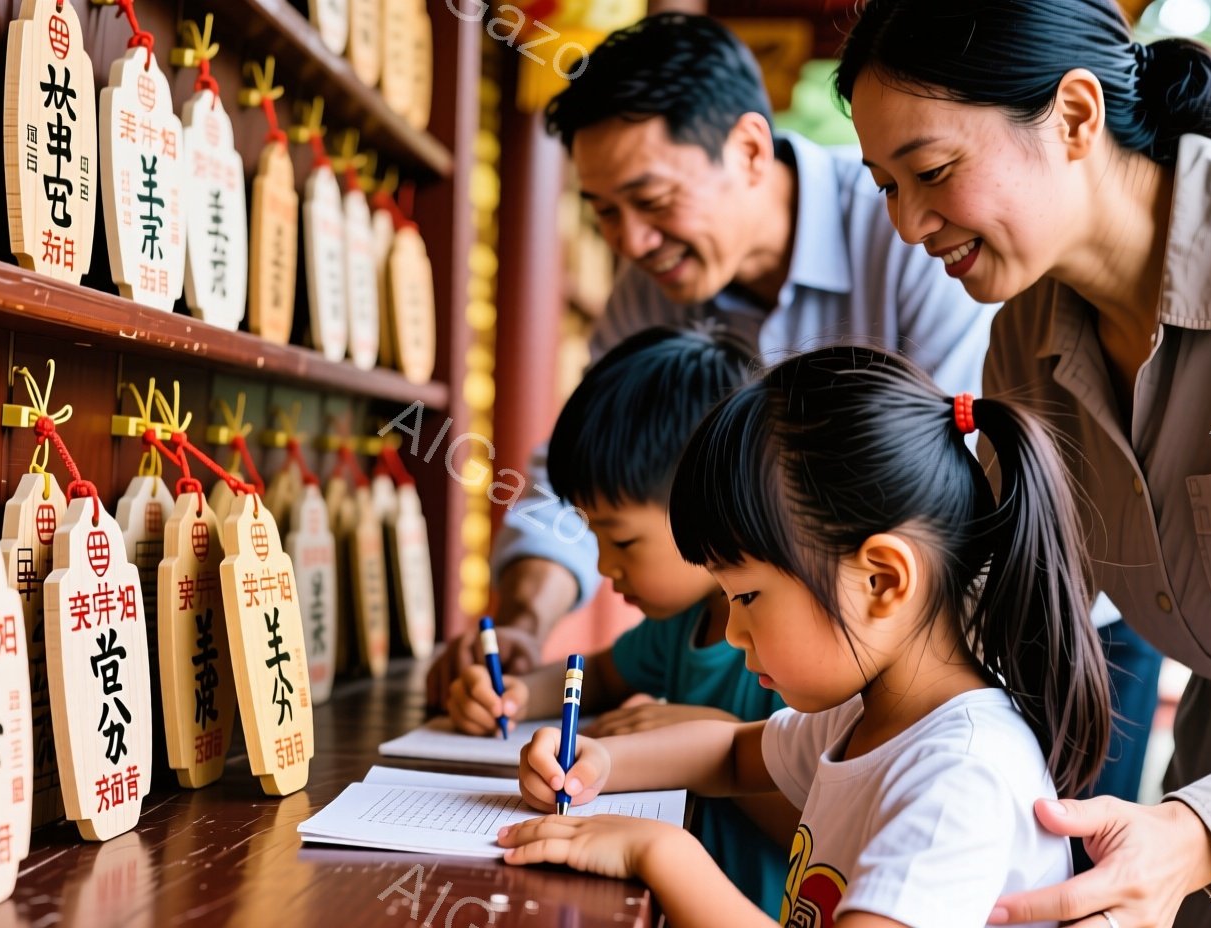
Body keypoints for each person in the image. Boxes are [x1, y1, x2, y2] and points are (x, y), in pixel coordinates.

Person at [836, 2, 1211, 925]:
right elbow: (995, 604)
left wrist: (1201, 832)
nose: (909, 225)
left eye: (932, 172)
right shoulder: (1024, 343)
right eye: (884, 188)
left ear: (1074, 115)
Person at [424, 12, 997, 707]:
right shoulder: (651, 290)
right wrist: (520, 625)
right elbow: (591, 472)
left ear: (751, 148)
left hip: (994, 625)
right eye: (603, 212)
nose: (632, 241)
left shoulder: (907, 233)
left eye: (652, 200)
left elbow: (963, 483)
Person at [499, 346, 1113, 928]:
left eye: (747, 597)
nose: (734, 632)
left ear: (881, 580)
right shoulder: (872, 718)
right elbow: (732, 754)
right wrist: (600, 763)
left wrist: (660, 854)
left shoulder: (959, 778)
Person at [446, 326, 791, 915]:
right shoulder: (679, 626)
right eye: (592, 535)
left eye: (622, 539)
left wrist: (706, 728)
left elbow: (822, 821)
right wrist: (513, 693)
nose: (604, 566)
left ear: (711, 505)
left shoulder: (791, 651)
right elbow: (599, 677)